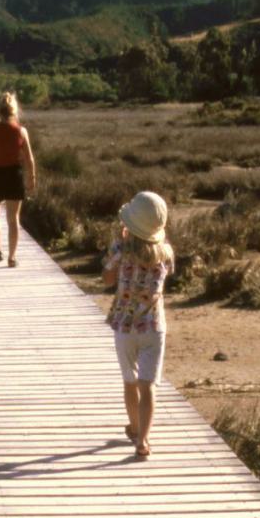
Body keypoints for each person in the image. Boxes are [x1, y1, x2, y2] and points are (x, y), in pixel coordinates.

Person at [101, 191, 174, 458]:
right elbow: (163, 280)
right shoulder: (165, 252)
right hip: (153, 326)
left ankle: (134, 427)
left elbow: (107, 279)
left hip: (125, 325)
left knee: (130, 382)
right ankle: (143, 440)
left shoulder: (121, 249)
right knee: (148, 385)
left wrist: (118, 249)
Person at [0, 92, 36, 268]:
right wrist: (31, 178)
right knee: (13, 218)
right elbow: (29, 159)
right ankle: (12, 257)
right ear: (14, 111)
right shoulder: (21, 131)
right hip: (14, 175)